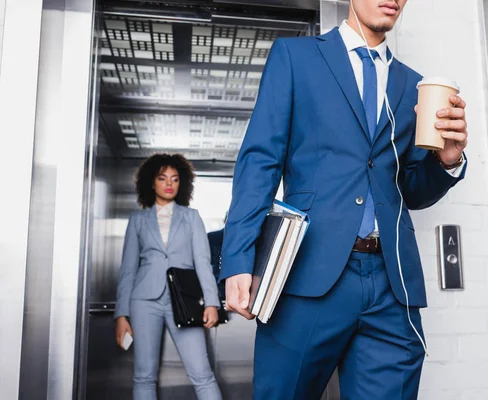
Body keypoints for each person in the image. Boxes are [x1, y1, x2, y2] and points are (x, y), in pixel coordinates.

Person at [220, 0, 469, 398]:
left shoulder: (413, 85)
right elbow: (260, 162)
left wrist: (447, 161)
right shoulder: (295, 57)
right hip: (306, 274)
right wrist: (238, 258)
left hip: (392, 285)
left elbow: (411, 191)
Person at [114, 153, 222, 400]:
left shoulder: (192, 217)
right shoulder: (137, 220)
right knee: (144, 376)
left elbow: (203, 263)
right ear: (152, 183)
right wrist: (121, 315)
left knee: (202, 374)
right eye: (163, 178)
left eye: (174, 179)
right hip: (144, 302)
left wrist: (212, 303)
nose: (169, 184)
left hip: (183, 300)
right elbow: (128, 269)